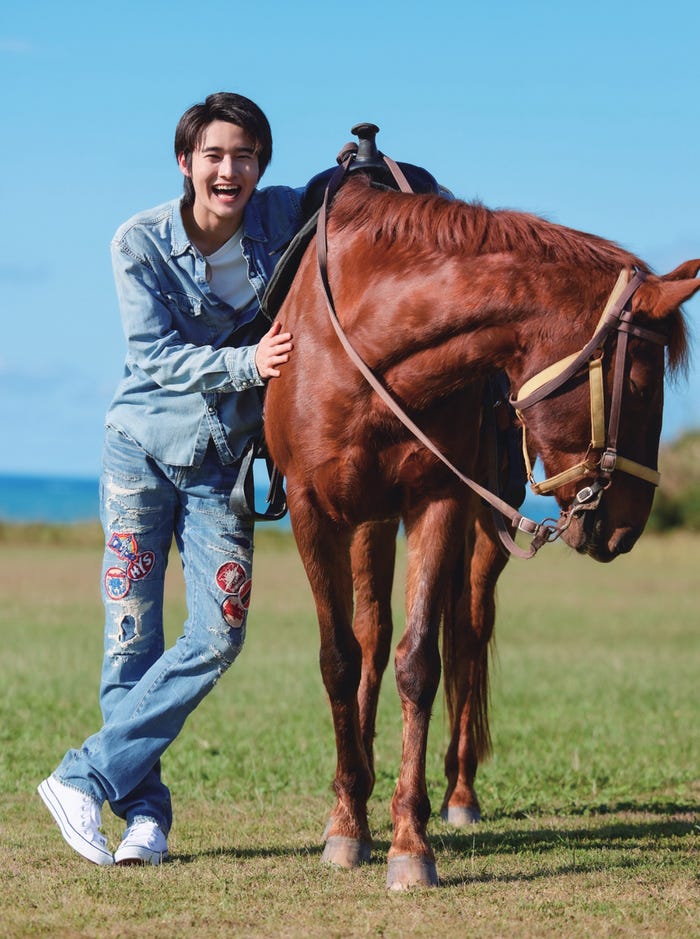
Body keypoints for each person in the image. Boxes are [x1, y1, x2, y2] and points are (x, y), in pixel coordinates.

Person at [38, 92, 305, 866]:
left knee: (218, 632)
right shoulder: (138, 242)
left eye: (247, 154)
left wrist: (386, 173)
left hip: (222, 465)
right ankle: (146, 819)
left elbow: (339, 192)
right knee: (131, 642)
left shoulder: (279, 218)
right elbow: (153, 356)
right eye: (216, 154)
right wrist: (247, 363)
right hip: (140, 455)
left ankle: (81, 778)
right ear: (186, 162)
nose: (231, 169)